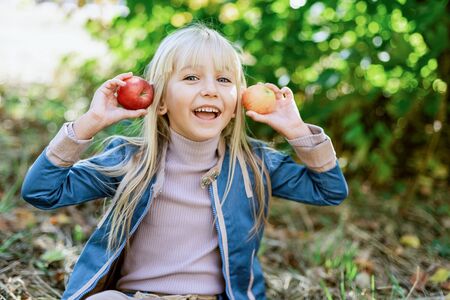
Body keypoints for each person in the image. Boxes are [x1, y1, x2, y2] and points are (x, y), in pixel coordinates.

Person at [21, 23, 348, 300]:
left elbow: (329, 190)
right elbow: (41, 192)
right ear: (160, 101)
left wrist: (297, 130)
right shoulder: (132, 161)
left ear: (235, 103)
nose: (209, 90)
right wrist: (89, 123)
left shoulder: (253, 164)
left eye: (223, 80)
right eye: (191, 78)